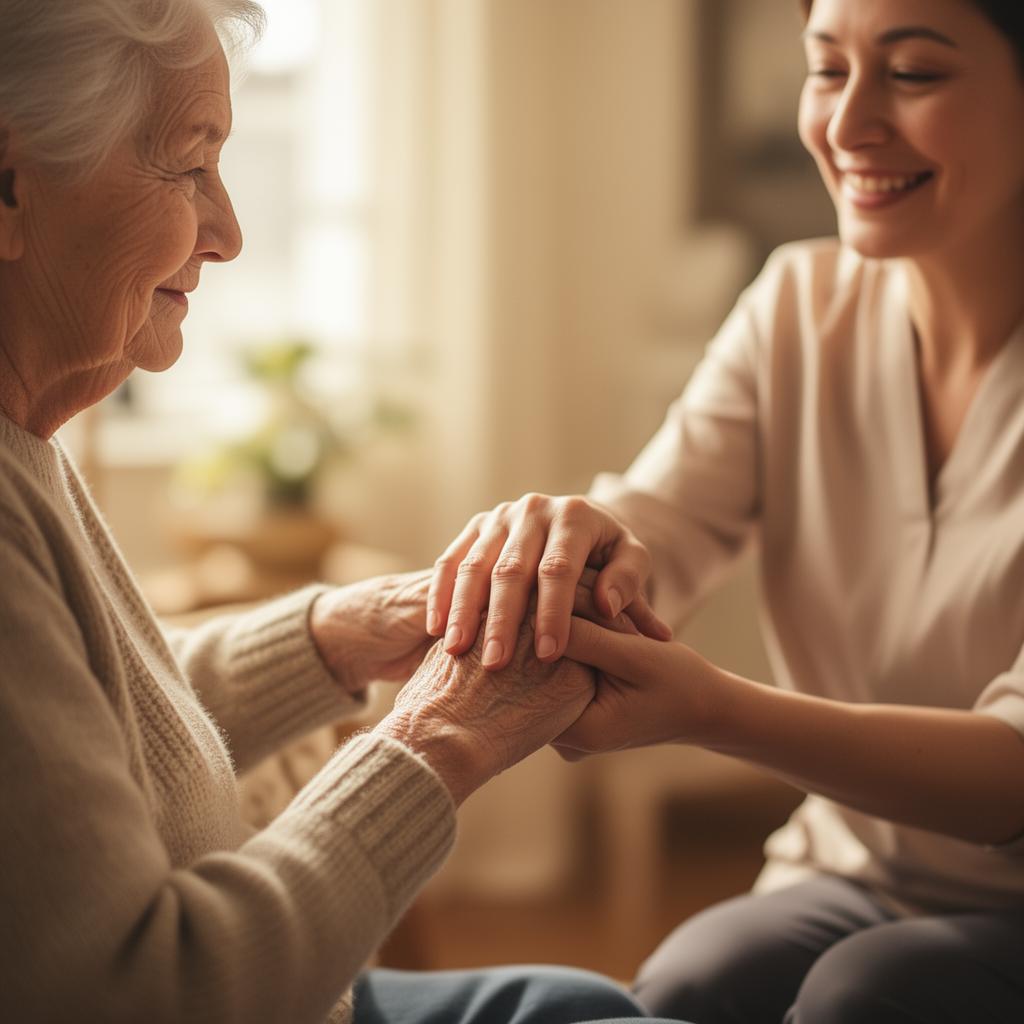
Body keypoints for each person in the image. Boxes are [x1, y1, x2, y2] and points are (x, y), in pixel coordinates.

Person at [0, 2, 656, 1022]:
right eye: (188, 166)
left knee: (578, 1002)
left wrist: (345, 632)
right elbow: (147, 991)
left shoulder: (25, 439)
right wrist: (442, 740)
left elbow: (89, 742)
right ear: (8, 184)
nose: (228, 233)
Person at [428, 0, 1024, 1020]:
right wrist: (580, 547)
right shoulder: (797, 305)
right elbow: (663, 519)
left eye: (913, 75)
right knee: (695, 981)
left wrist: (712, 708)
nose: (846, 125)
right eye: (826, 69)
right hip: (851, 869)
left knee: (868, 995)